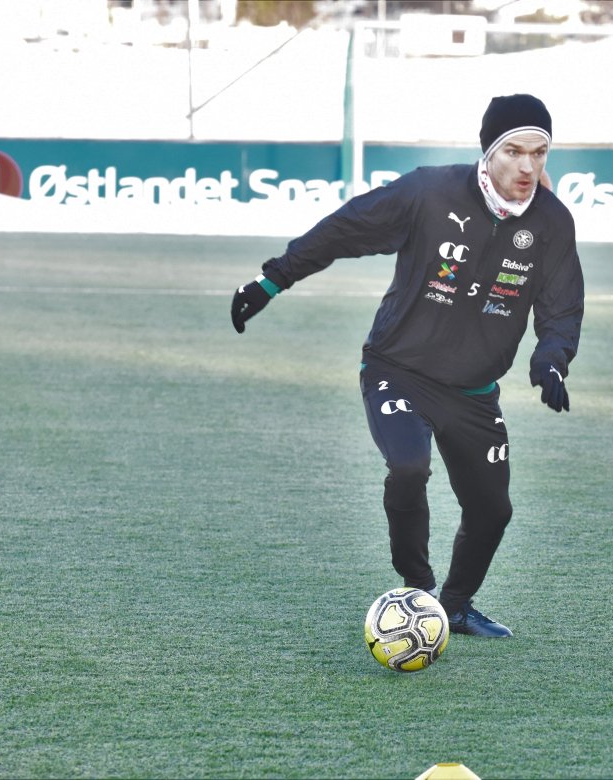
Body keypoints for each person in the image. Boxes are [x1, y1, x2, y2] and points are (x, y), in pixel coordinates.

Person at [230, 94, 584, 638]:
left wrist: (552, 360)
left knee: (493, 510)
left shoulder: (553, 222)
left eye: (538, 153)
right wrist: (273, 279)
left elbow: (561, 306)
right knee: (409, 466)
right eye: (513, 151)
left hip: (473, 391)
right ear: (487, 151)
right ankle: (417, 591)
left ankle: (456, 606)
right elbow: (346, 228)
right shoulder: (429, 192)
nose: (527, 166)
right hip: (398, 368)